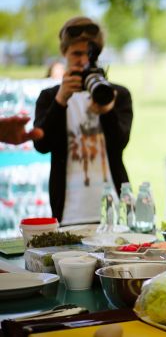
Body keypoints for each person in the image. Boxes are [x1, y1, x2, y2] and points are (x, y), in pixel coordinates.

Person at [34, 16, 133, 225]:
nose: (82, 61)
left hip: (116, 213)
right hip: (69, 213)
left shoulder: (117, 94)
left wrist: (107, 111)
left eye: (88, 55)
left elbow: (119, 144)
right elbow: (41, 145)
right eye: (76, 54)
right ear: (64, 54)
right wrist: (61, 100)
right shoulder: (49, 97)